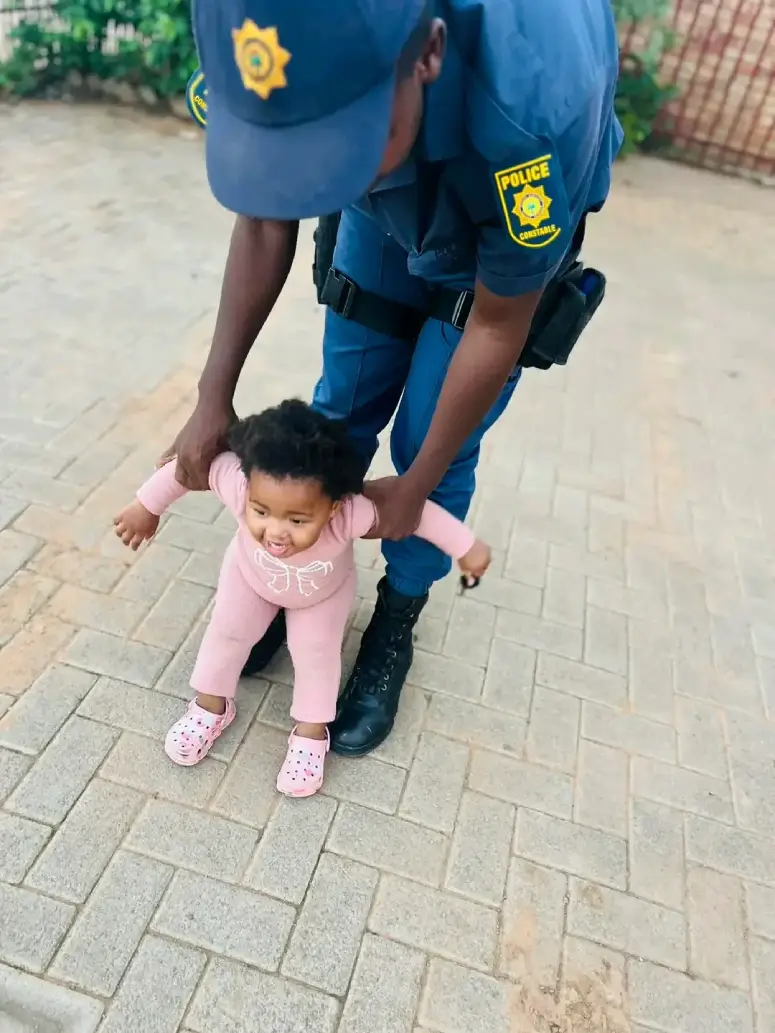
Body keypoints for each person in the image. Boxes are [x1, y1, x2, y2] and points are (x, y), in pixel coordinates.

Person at [163, 0, 623, 756]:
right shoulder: (263, 37)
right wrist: (214, 395)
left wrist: (414, 489)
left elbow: (497, 323)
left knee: (432, 444)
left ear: (428, 55)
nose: (308, 172)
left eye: (333, 142)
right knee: (338, 411)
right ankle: (295, 579)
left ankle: (396, 615)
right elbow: (266, 212)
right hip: (380, 201)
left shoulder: (529, 121)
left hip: (487, 218)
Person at [115, 400, 491, 796]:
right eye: (261, 511)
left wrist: (465, 546)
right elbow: (188, 469)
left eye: (297, 520)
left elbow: (418, 515)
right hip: (249, 578)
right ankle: (211, 705)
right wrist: (146, 506)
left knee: (316, 656)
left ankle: (311, 733)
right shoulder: (238, 481)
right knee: (227, 633)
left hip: (320, 597)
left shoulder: (351, 512)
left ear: (331, 508)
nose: (276, 531)